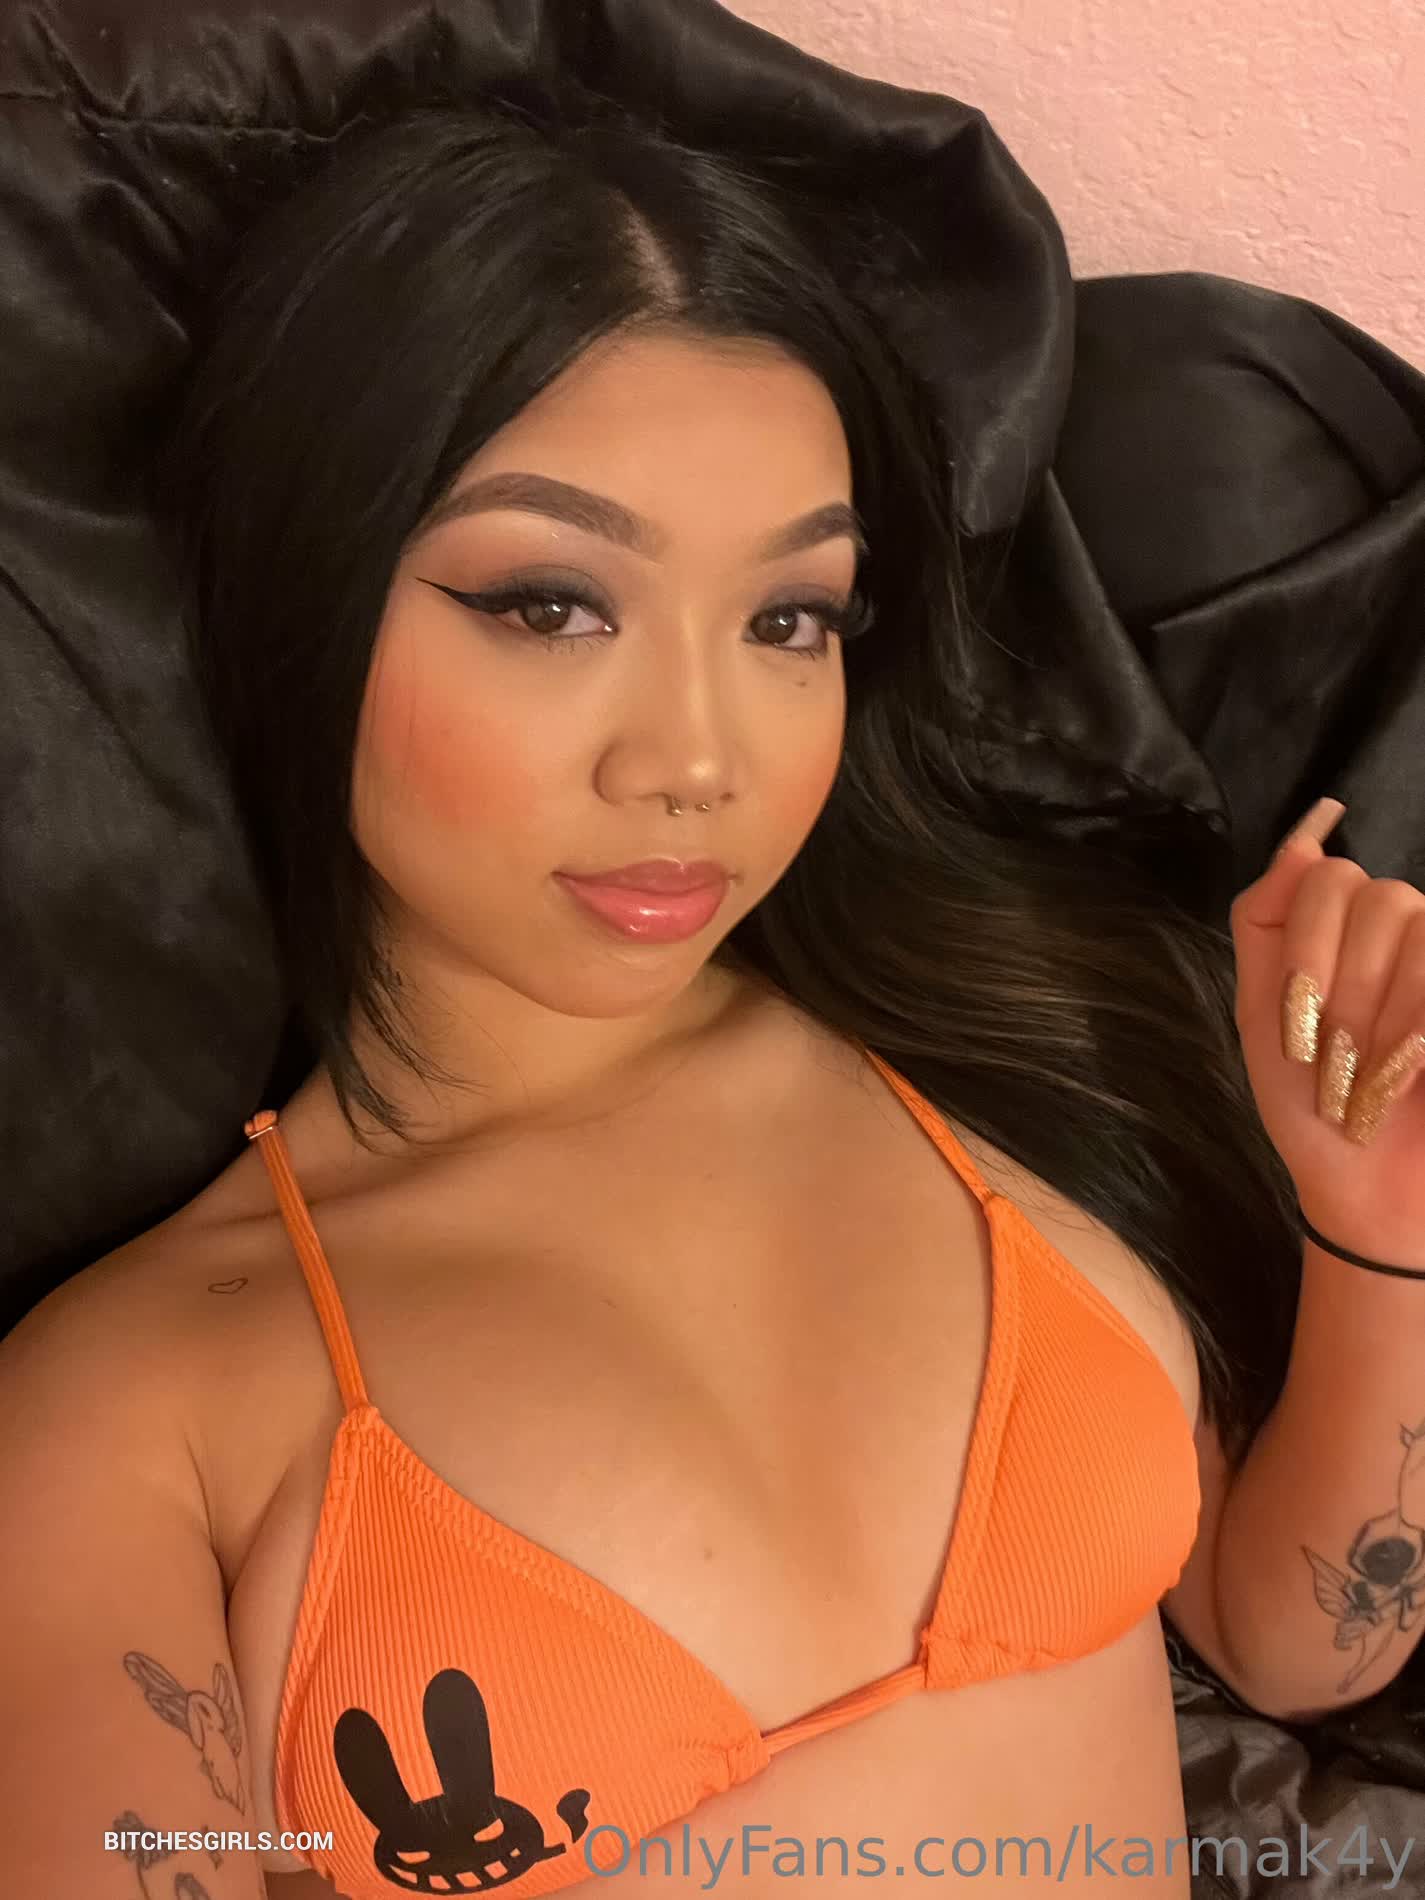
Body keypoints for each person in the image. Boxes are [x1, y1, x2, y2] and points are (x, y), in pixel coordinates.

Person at [5, 97, 1424, 1900]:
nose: (697, 759)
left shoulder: (989, 1052)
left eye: (787, 620)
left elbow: (1290, 1638)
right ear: (307, 595)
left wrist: (1381, 1238)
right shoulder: (135, 1406)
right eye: (549, 605)